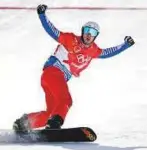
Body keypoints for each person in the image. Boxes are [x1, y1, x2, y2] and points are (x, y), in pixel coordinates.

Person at [13, 4, 135, 133]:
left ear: (95, 36)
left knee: (52, 112)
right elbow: (52, 31)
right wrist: (42, 15)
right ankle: (54, 125)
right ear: (82, 31)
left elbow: (108, 52)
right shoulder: (70, 39)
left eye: (92, 33)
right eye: (87, 30)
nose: (88, 34)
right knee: (66, 100)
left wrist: (125, 45)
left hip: (54, 79)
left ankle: (22, 124)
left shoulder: (93, 50)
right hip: (54, 72)